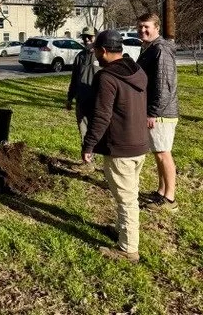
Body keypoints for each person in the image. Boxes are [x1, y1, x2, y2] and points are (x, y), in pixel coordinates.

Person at [82, 29, 148, 263]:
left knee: (126, 199)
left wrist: (89, 144)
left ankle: (128, 249)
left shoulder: (107, 77)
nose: (96, 56)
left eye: (97, 52)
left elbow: (101, 115)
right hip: (139, 143)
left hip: (120, 146)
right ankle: (122, 228)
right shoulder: (137, 70)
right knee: (130, 192)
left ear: (103, 50)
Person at [136, 12, 178, 211]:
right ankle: (161, 191)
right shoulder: (150, 48)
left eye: (147, 26)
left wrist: (152, 112)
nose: (142, 30)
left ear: (157, 28)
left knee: (163, 154)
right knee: (158, 153)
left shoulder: (160, 49)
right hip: (154, 111)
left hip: (161, 113)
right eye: (140, 26)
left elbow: (164, 85)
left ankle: (170, 199)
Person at [66, 26, 98, 170]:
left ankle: (104, 159)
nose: (86, 39)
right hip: (82, 100)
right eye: (84, 37)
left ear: (95, 37)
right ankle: (88, 161)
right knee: (84, 131)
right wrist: (70, 97)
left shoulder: (101, 54)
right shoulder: (80, 56)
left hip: (98, 101)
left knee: (98, 130)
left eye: (89, 37)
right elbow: (74, 79)